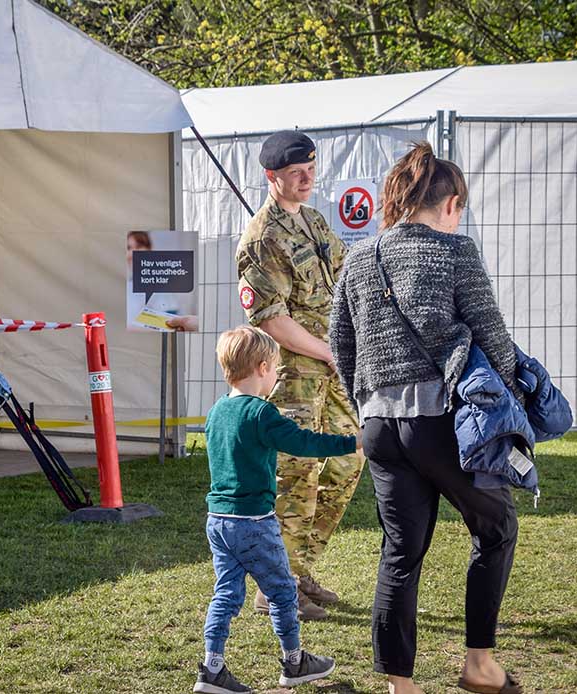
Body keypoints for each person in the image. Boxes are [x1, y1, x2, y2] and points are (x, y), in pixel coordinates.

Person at [328, 142, 524, 694]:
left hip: (380, 424)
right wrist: (510, 408)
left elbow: (340, 343)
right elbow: (492, 337)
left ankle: (401, 687)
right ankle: (480, 665)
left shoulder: (360, 257)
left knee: (401, 553)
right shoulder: (456, 252)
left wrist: (366, 408)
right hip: (441, 422)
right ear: (452, 202)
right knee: (496, 526)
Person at [235, 130, 362, 621]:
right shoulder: (262, 238)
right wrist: (330, 351)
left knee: (350, 460)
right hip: (293, 378)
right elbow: (270, 319)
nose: (308, 179)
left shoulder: (312, 221)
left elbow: (343, 280)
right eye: (296, 173)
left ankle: (300, 568)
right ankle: (275, 586)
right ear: (272, 177)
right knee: (296, 476)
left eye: (311, 168)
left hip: (332, 371)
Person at [196, 325, 356, 694]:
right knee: (282, 592)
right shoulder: (260, 413)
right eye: (277, 369)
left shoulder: (217, 410)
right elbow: (303, 442)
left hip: (218, 520)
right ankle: (294, 661)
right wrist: (354, 442)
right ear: (263, 366)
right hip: (254, 522)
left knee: (227, 594)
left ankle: (211, 668)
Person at [126, 231, 198, 332]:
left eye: (138, 246)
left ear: (149, 250)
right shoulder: (126, 285)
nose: (133, 253)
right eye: (128, 248)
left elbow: (169, 325)